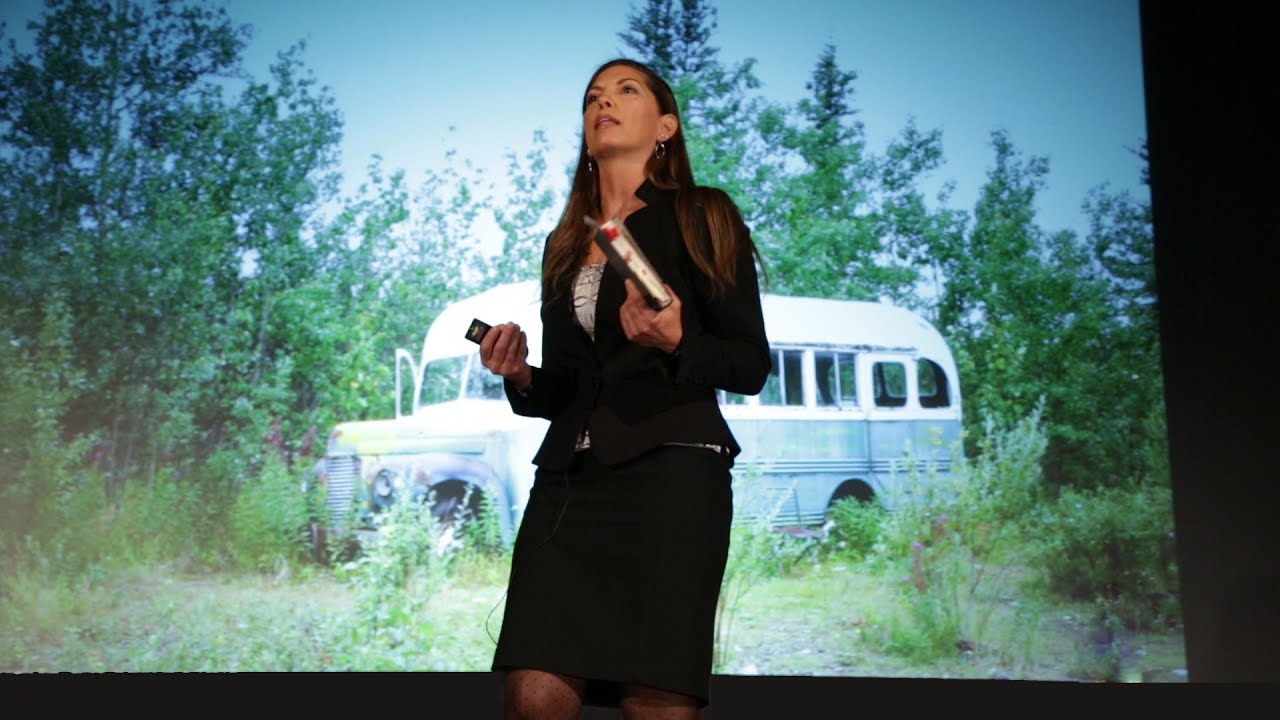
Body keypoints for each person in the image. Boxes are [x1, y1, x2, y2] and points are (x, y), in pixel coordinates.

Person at [478, 57, 770, 719]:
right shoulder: (562, 242)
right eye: (592, 97)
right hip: (568, 488)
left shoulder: (703, 215)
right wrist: (521, 374)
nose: (603, 102)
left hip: (671, 480)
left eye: (626, 91)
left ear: (665, 126)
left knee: (655, 695)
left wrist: (676, 342)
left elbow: (749, 365)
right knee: (532, 690)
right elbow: (572, 389)